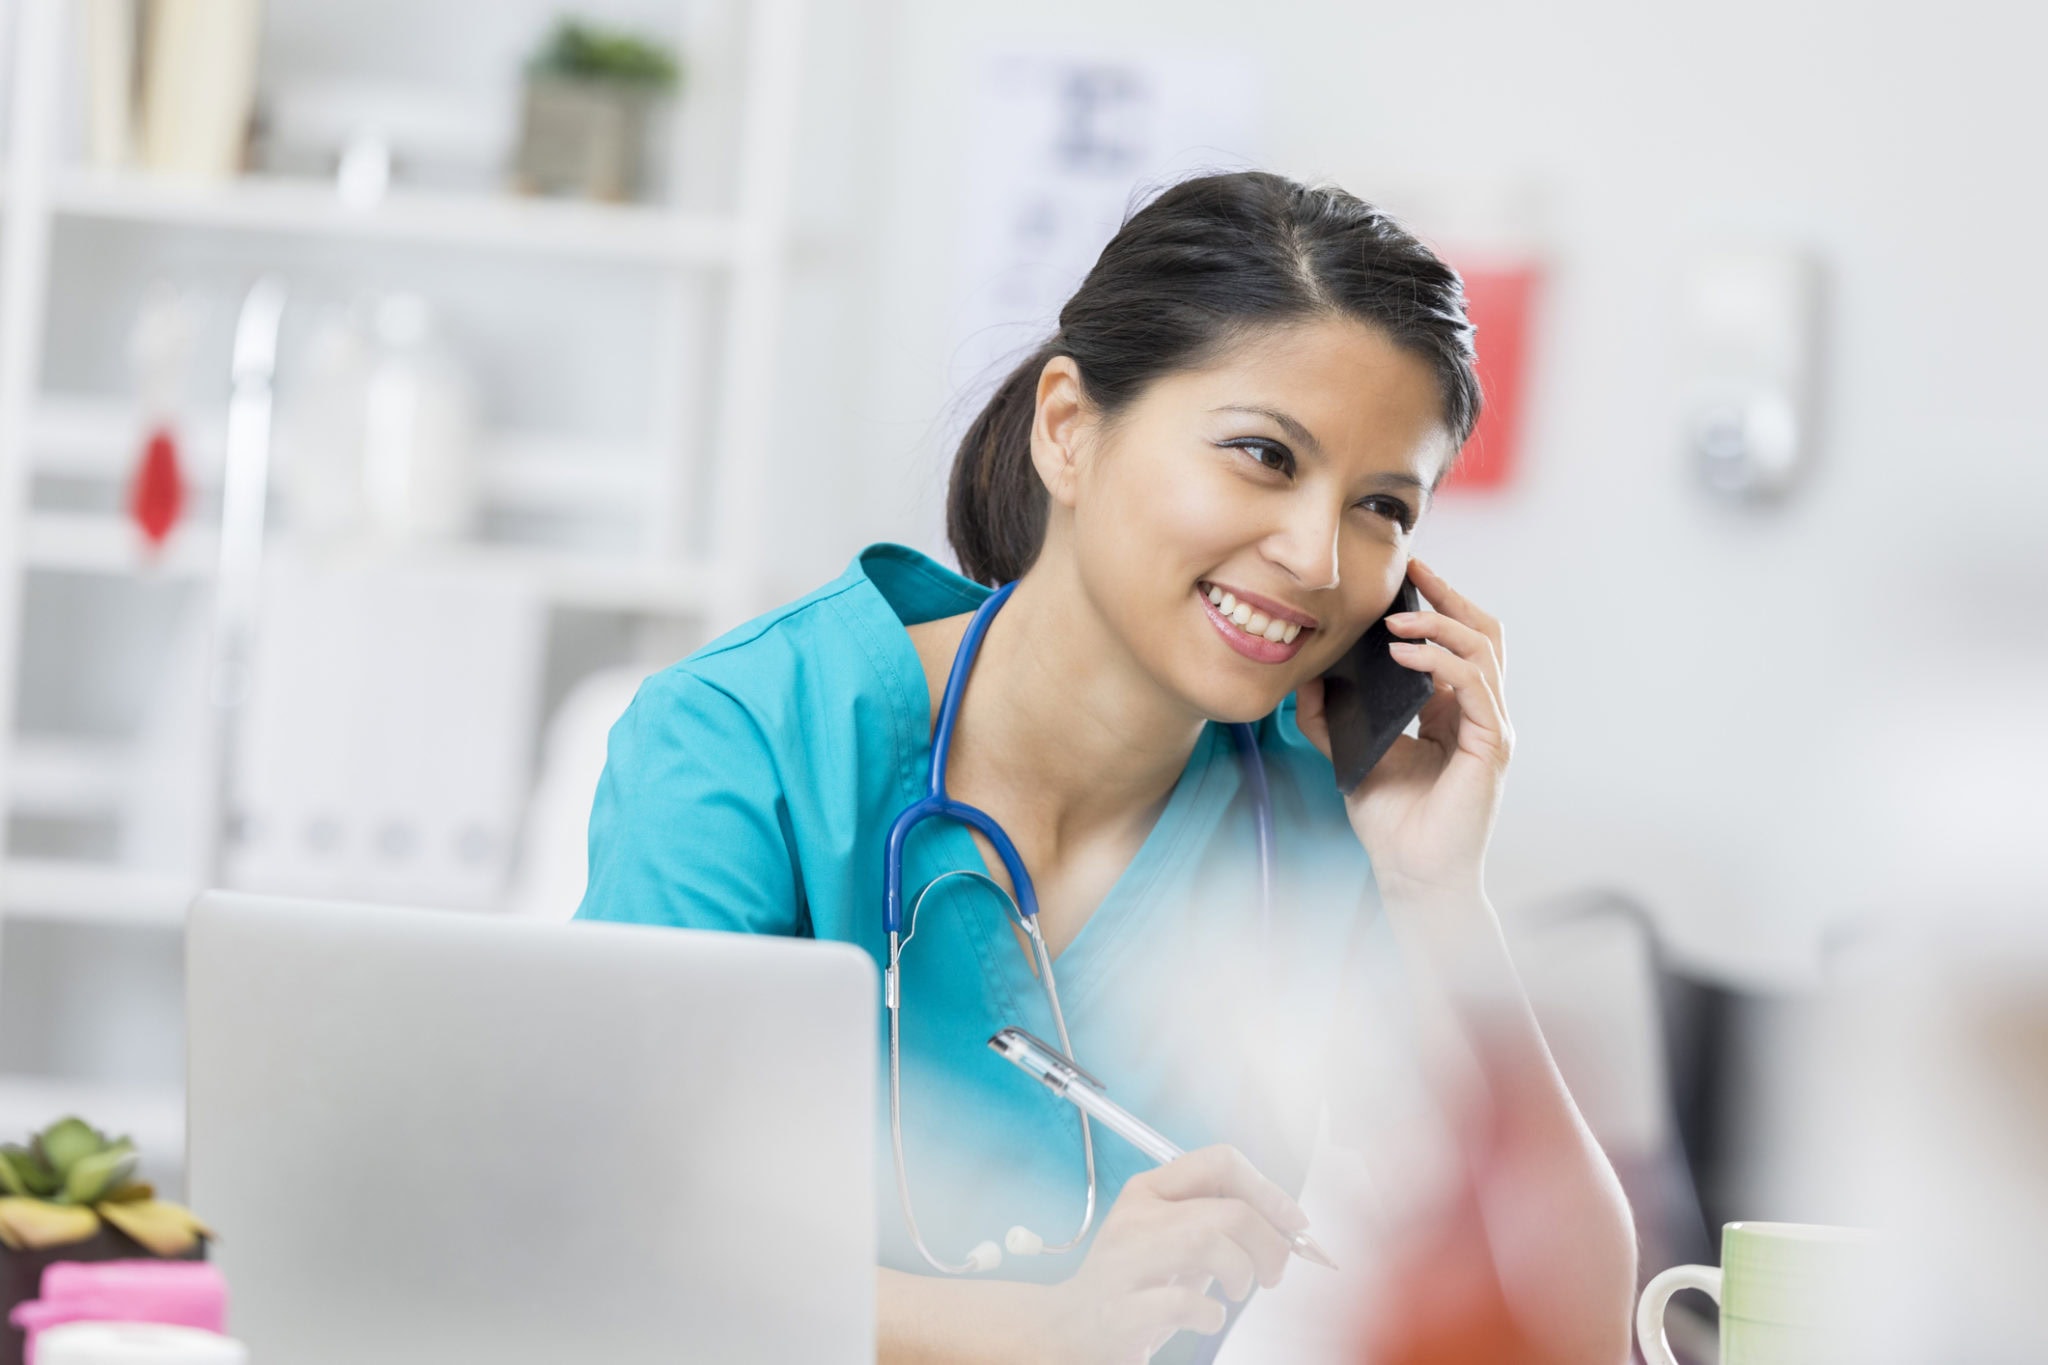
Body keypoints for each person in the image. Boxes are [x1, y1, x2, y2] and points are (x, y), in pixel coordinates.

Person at [577, 171, 1635, 1364]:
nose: (1315, 557)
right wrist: (1044, 1332)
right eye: (1262, 455)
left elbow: (1577, 1330)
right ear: (1069, 429)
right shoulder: (751, 740)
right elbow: (618, 1243)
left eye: (1381, 507)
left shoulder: (1309, 815)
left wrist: (1438, 894)